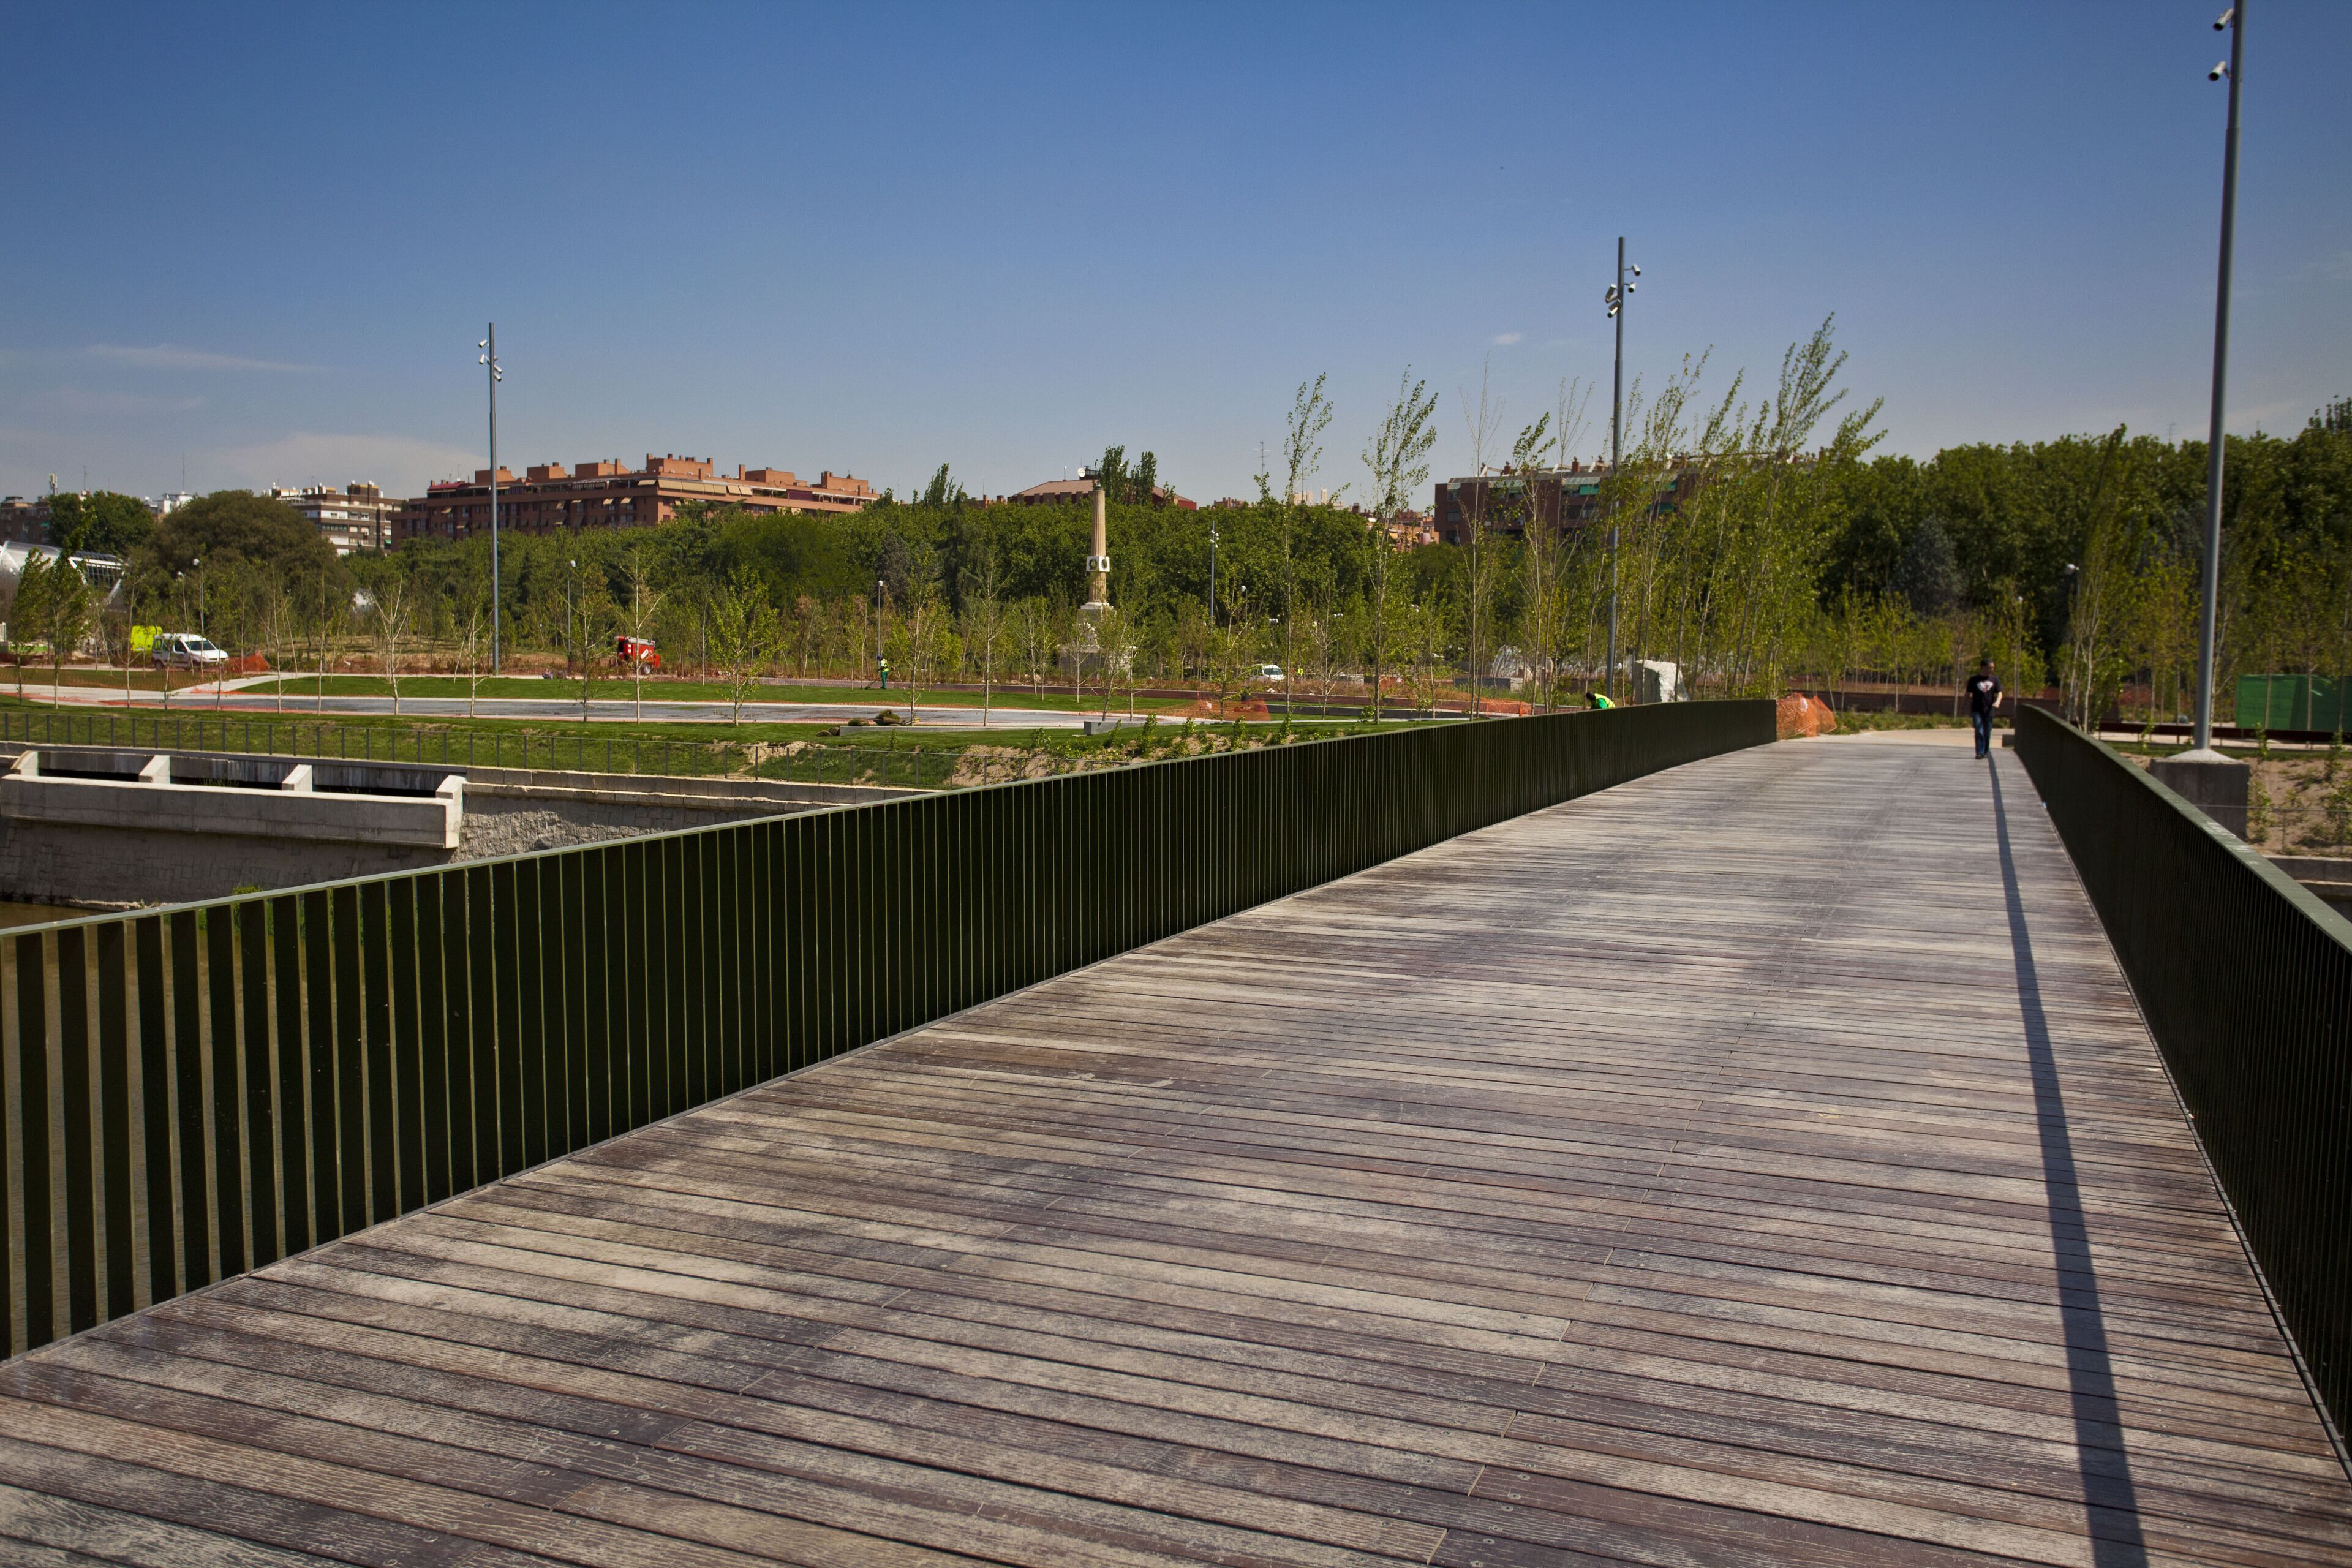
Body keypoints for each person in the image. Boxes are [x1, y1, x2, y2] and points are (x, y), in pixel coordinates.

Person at [1965, 659, 2003, 758]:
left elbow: (2000, 692)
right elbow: (1967, 694)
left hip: (1989, 709)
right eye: (1990, 668)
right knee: (1979, 730)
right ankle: (1979, 752)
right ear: (1983, 667)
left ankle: (1985, 751)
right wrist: (1964, 706)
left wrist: (1998, 702)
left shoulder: (1995, 679)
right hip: (1976, 709)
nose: (1992, 670)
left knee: (1987, 732)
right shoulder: (1973, 680)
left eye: (1993, 668)